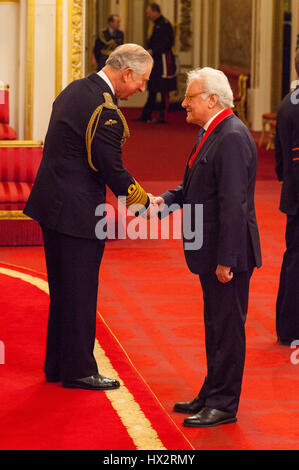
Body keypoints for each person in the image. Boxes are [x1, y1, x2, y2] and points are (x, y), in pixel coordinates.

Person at [23, 44, 153, 391]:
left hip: (52, 207)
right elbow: (112, 168)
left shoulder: (75, 89)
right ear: (127, 74)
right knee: (80, 292)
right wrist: (143, 203)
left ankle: (58, 364)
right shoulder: (104, 109)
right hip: (78, 213)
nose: (141, 88)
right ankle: (80, 369)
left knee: (63, 290)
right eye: (141, 80)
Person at [152, 67, 262, 427]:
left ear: (212, 100)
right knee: (215, 325)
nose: (183, 102)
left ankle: (224, 404)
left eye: (190, 97)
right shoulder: (212, 132)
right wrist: (163, 201)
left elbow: (234, 204)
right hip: (211, 250)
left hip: (224, 254)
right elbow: (194, 189)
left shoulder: (230, 136)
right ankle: (211, 391)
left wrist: (226, 259)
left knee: (227, 329)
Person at [275, 49, 299, 345]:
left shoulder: (288, 101)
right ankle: (292, 329)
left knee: (293, 259)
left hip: (293, 193)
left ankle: (288, 327)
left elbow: (282, 165)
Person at [136, 3, 177, 123]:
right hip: (155, 61)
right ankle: (146, 115)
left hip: (164, 61)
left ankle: (163, 116)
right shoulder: (156, 25)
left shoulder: (165, 25)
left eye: (149, 12)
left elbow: (168, 43)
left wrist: (153, 50)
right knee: (153, 86)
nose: (147, 15)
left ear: (155, 12)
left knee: (164, 88)